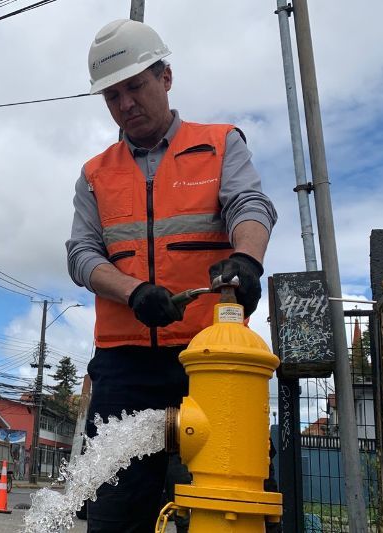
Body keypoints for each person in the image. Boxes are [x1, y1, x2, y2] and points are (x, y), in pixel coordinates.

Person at [65, 19, 279, 533]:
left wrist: (247, 260)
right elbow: (81, 254)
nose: (125, 104)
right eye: (112, 96)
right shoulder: (96, 172)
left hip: (210, 362)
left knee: (230, 502)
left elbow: (251, 205)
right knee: (115, 514)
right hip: (124, 367)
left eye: (135, 86)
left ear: (166, 77)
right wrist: (134, 292)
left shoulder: (220, 143)